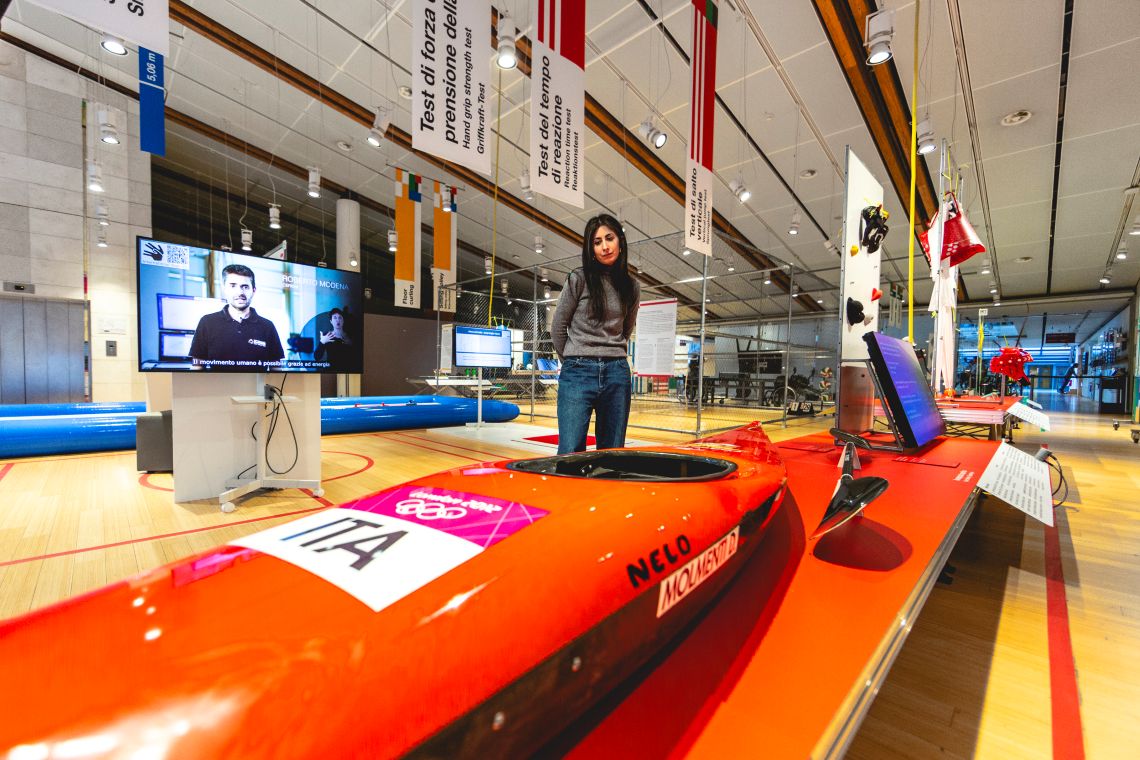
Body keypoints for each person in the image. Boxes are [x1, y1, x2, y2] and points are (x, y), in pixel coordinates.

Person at [551, 213, 640, 454]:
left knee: (612, 453)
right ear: (590, 249)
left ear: (620, 241)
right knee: (570, 450)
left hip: (617, 373)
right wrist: (573, 359)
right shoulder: (578, 279)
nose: (604, 246)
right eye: (597, 242)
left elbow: (626, 329)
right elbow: (557, 328)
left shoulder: (631, 287)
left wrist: (610, 352)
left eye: (609, 238)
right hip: (577, 373)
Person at [189, 263, 284, 365]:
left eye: (245, 287)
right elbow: (197, 366)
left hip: (256, 381)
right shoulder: (207, 322)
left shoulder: (267, 326)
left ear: (253, 290)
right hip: (215, 382)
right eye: (233, 286)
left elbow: (276, 369)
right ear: (224, 289)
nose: (240, 292)